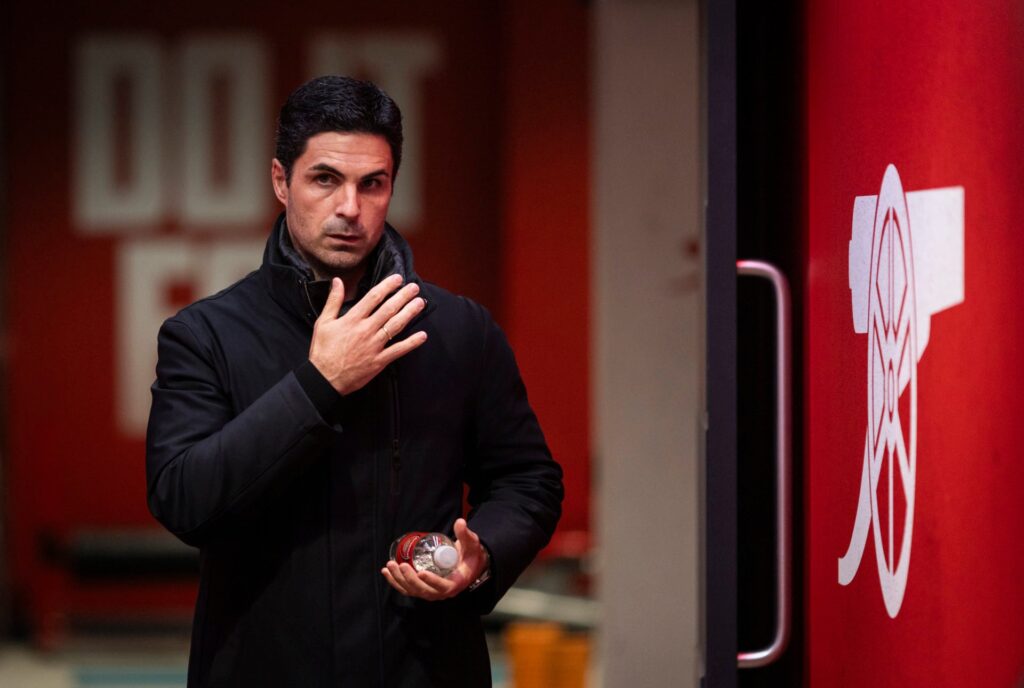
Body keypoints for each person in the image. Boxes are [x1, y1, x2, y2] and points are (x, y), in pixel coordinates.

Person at [145, 75, 564, 687]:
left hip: (424, 668)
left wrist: (480, 559)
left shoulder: (458, 329)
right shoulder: (204, 334)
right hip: (264, 670)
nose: (351, 208)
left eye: (374, 184)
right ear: (281, 182)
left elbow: (529, 481)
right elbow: (184, 500)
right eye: (325, 179)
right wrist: (318, 384)